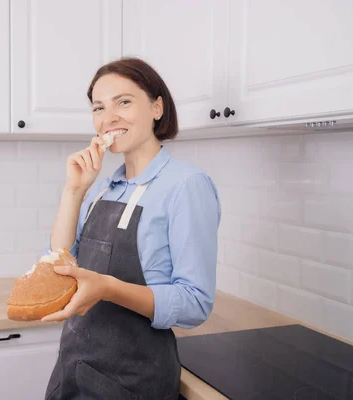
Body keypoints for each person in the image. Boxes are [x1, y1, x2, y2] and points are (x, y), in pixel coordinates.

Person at [41, 57, 221, 400]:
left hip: (133, 382)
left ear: (156, 107)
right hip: (73, 371)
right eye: (98, 108)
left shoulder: (186, 185)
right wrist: (73, 192)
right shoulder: (102, 187)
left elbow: (195, 303)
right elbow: (57, 266)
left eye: (123, 102)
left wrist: (107, 288)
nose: (108, 118)